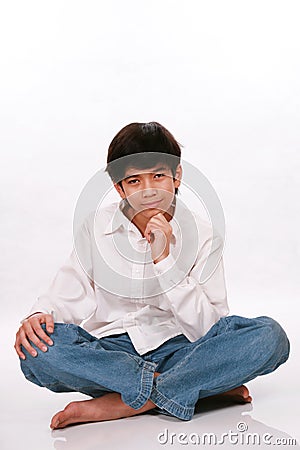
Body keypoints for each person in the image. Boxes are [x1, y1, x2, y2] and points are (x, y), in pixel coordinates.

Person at [14, 122, 290, 430]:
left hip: (181, 349)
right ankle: (190, 388)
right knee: (35, 348)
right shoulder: (96, 227)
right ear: (120, 188)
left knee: (269, 337)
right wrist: (39, 315)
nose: (148, 191)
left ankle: (126, 402)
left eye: (158, 175)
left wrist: (164, 260)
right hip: (111, 357)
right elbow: (67, 294)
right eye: (134, 181)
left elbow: (211, 330)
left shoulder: (203, 234)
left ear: (177, 177)